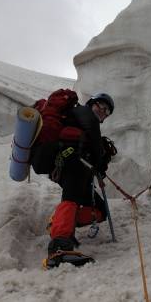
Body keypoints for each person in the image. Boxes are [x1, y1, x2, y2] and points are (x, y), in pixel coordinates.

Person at [32, 92, 115, 267]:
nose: (103, 111)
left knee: (100, 210)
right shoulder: (84, 113)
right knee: (71, 198)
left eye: (107, 111)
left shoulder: (81, 120)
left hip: (76, 165)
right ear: (92, 103)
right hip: (71, 162)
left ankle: (59, 223)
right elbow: (93, 142)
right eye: (101, 106)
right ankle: (60, 247)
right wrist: (99, 161)